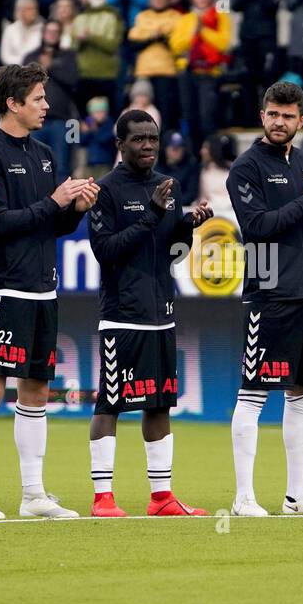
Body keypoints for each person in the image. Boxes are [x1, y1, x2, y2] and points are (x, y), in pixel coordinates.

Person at [0, 62, 99, 519]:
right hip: (5, 289)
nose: (46, 105)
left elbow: (51, 223)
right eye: (38, 98)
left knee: (36, 389)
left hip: (43, 288)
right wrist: (52, 203)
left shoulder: (43, 152)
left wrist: (74, 209)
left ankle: (33, 494)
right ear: (12, 104)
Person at [226, 81, 303, 516]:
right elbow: (259, 227)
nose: (279, 122)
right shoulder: (245, 169)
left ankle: (297, 495)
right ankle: (244, 497)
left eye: (288, 116)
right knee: (254, 394)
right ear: (262, 116)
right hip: (267, 291)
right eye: (272, 114)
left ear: (301, 120)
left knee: (302, 395)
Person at [87, 110, 213, 517]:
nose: (147, 146)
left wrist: (187, 226)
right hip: (122, 316)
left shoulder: (167, 187)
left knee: (158, 404)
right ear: (120, 144)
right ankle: (102, 498)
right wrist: (154, 214)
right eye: (138, 139)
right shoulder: (105, 191)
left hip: (162, 312)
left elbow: (173, 253)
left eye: (152, 139)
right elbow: (106, 252)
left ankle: (162, 498)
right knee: (111, 405)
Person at [169, 0, 231, 153]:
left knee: (207, 116)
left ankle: (210, 152)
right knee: (189, 116)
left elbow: (223, 43)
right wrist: (192, 34)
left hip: (209, 73)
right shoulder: (185, 19)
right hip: (188, 72)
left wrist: (203, 30)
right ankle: (193, 154)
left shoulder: (220, 17)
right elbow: (176, 46)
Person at [232, 0, 283, 120]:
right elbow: (234, 5)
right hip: (248, 37)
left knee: (268, 78)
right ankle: (250, 117)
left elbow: (271, 4)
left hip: (267, 37)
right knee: (248, 78)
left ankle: (271, 115)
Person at [24, 18, 79, 174]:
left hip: (64, 121)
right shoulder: (31, 57)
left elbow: (73, 80)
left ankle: (64, 198)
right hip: (35, 121)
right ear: (43, 33)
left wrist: (51, 67)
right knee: (35, 164)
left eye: (56, 32)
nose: (52, 35)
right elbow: (23, 85)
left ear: (60, 34)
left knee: (62, 165)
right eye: (49, 31)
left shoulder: (68, 56)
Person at [125, 0, 180, 133]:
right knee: (142, 115)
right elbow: (133, 44)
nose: (158, 0)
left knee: (166, 116)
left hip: (167, 72)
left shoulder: (175, 16)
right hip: (145, 73)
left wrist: (152, 37)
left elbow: (178, 44)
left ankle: (164, 153)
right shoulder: (142, 17)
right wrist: (155, 38)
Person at [74, 0, 123, 114]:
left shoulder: (113, 16)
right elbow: (73, 45)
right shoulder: (80, 17)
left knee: (107, 118)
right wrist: (80, 41)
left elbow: (112, 45)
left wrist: (90, 37)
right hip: (84, 75)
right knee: (83, 119)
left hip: (106, 76)